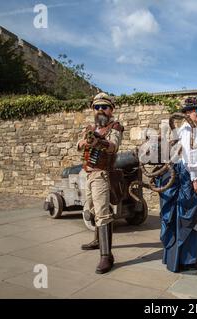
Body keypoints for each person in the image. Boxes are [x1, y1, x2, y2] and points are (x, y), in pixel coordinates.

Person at [156, 97, 197, 273]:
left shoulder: (184, 129)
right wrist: (195, 179)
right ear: (188, 113)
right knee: (190, 214)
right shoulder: (190, 129)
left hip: (183, 172)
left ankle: (181, 257)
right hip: (188, 175)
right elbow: (190, 155)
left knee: (184, 214)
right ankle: (188, 258)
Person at [77, 93, 123, 274]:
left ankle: (106, 256)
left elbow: (114, 146)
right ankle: (97, 240)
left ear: (111, 109)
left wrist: (100, 142)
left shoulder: (115, 126)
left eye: (104, 107)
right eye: (97, 107)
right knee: (92, 210)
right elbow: (78, 144)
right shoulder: (89, 128)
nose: (100, 110)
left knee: (103, 214)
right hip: (87, 173)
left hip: (102, 174)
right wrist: (85, 141)